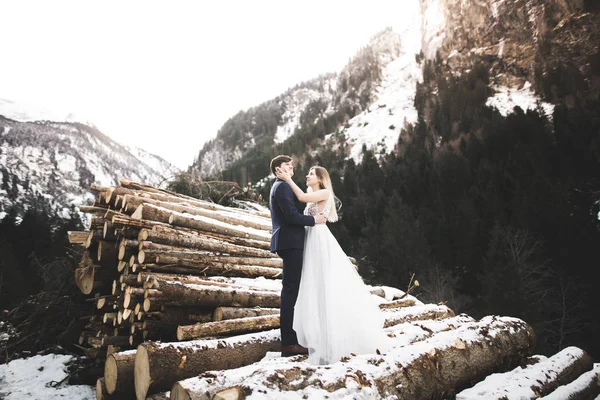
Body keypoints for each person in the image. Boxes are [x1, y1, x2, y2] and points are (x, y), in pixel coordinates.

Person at [275, 165, 393, 365]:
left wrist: (288, 179)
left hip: (319, 238)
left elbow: (302, 198)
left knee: (322, 282)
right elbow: (303, 201)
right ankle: (316, 333)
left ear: (320, 178)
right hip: (311, 235)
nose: (307, 175)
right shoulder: (314, 192)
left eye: (311, 174)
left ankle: (329, 336)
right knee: (313, 283)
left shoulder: (323, 191)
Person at [269, 155, 328, 357]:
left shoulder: (282, 185)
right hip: (290, 242)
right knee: (290, 290)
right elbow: (292, 217)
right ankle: (289, 342)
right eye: (287, 166)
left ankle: (293, 337)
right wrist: (314, 220)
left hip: (290, 241)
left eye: (292, 165)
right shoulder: (282, 187)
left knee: (292, 289)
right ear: (278, 169)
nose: (292, 168)